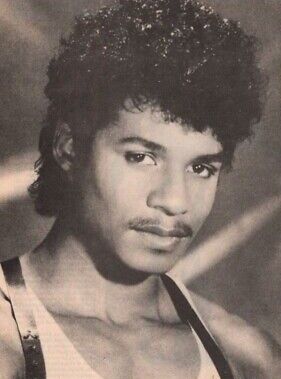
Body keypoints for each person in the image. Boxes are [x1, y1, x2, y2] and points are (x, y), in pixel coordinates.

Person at [0, 0, 280, 378]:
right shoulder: (7, 340)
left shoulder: (246, 356)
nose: (175, 201)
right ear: (68, 148)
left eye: (200, 167)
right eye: (141, 157)